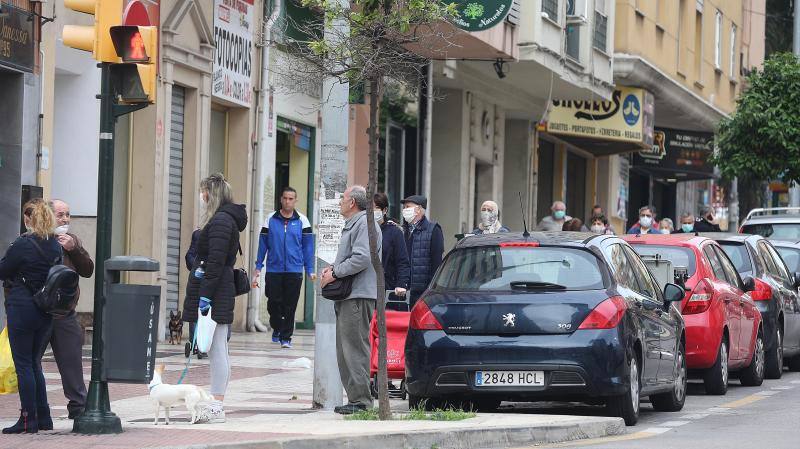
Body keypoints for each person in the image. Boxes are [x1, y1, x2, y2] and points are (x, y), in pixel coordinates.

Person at [182, 173, 248, 424]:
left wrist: (205, 295)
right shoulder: (224, 220)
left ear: (211, 194)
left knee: (217, 349)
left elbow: (216, 262)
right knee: (216, 348)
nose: (202, 197)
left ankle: (216, 405)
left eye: (203, 192)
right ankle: (216, 403)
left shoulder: (221, 221)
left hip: (216, 291)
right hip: (218, 289)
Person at [320, 185, 381, 415]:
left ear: (353, 203)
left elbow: (362, 258)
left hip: (358, 296)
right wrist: (333, 269)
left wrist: (335, 273)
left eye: (343, 198)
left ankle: (362, 402)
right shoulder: (355, 224)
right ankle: (356, 399)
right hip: (351, 295)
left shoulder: (365, 224)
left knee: (354, 349)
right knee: (345, 350)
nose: (340, 202)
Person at [0, 199, 60, 433]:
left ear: (29, 219)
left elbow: (3, 270)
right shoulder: (54, 245)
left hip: (22, 308)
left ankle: (27, 419)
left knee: (23, 364)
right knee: (35, 363)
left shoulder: (22, 244)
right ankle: (44, 417)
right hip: (45, 310)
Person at [38, 200, 93, 420]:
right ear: (48, 216)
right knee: (31, 363)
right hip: (39, 313)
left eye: (68, 215)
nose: (65, 219)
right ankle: (36, 409)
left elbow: (88, 269)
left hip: (65, 313)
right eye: (60, 214)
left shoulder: (72, 242)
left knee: (72, 362)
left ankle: (78, 407)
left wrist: (74, 249)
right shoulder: (35, 240)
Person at [251, 187, 316, 349]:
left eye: (291, 199)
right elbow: (262, 245)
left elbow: (308, 248)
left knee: (290, 305)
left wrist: (309, 269)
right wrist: (258, 267)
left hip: (294, 270)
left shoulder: (303, 221)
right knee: (273, 303)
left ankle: (286, 337)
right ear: (281, 199)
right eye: (285, 198)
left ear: (295, 200)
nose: (288, 201)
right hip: (274, 269)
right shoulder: (270, 219)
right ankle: (277, 327)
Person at [401, 195, 444, 306]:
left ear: (419, 209)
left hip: (422, 293)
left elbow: (436, 263)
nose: (404, 210)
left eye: (407, 207)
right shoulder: (402, 231)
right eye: (404, 207)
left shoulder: (433, 230)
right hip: (402, 291)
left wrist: (430, 291)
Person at [373, 193, 409, 303]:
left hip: (387, 286)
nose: (374, 211)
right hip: (367, 287)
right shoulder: (363, 230)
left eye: (377, 208)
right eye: (371, 208)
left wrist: (401, 284)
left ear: (385, 210)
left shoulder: (394, 232)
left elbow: (402, 261)